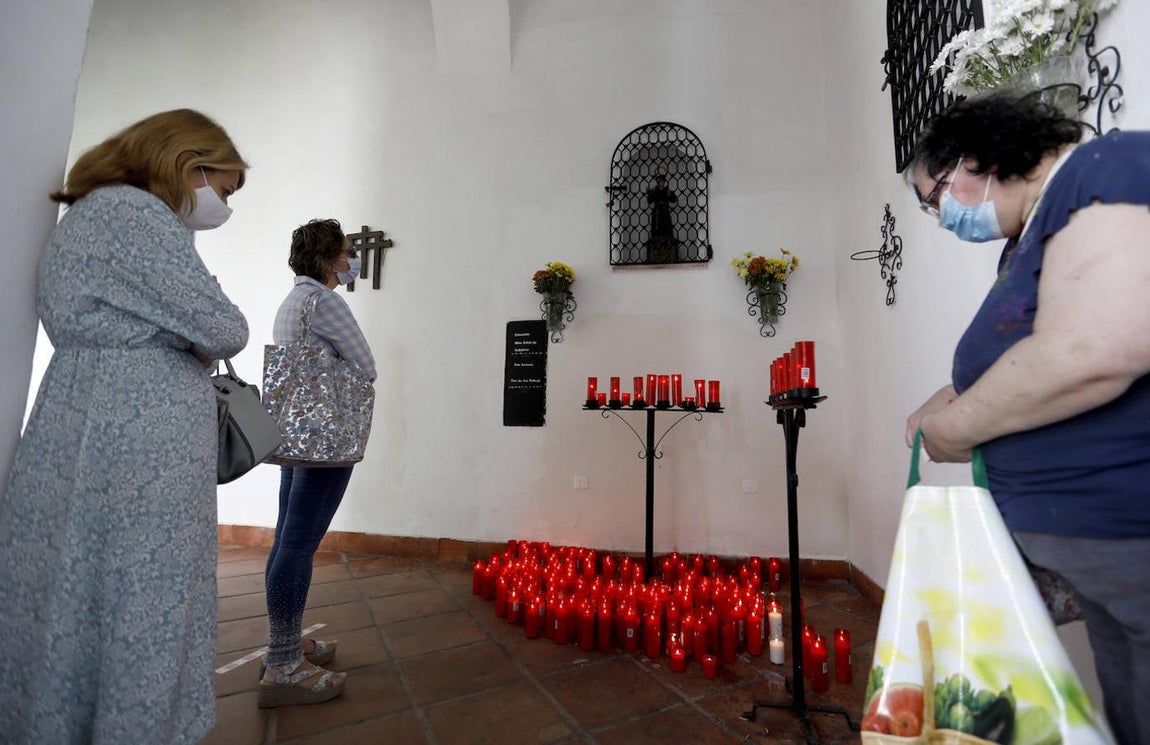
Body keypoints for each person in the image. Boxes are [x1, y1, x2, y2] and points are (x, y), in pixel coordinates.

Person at [904, 93, 1150, 745]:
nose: (941, 216)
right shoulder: (1026, 238)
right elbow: (1031, 348)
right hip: (1093, 554)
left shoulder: (1106, 167)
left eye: (937, 197)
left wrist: (956, 429)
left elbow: (1093, 349)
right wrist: (951, 391)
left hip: (1130, 531)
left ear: (979, 156)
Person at [0, 109, 249, 743]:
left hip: (95, 416)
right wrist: (187, 332)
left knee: (84, 585)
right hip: (135, 431)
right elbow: (226, 328)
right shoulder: (136, 215)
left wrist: (180, 328)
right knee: (144, 598)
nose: (223, 206)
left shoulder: (98, 211)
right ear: (188, 164)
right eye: (223, 188)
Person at [259, 219, 376, 708]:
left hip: (294, 436)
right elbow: (366, 366)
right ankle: (285, 664)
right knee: (300, 544)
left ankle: (283, 646)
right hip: (325, 441)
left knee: (287, 537)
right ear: (328, 258)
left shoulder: (293, 300)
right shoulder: (325, 301)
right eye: (346, 254)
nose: (351, 262)